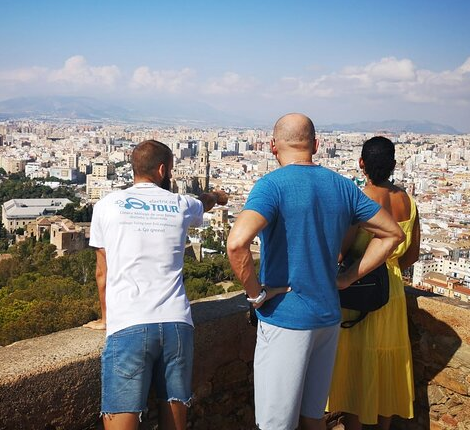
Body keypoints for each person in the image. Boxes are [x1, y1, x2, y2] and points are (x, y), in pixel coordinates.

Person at [226, 114, 404, 430]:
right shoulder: (342, 186)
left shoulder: (271, 185)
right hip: (328, 317)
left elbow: (237, 243)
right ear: (317, 146)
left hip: (286, 318)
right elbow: (392, 234)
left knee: (274, 423)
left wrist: (257, 295)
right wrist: (348, 277)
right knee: (312, 417)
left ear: (271, 146)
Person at [89, 139, 227, 430]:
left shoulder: (106, 205)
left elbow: (103, 273)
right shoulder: (180, 203)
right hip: (177, 324)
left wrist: (105, 319)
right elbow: (206, 202)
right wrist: (218, 195)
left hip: (128, 324)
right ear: (163, 170)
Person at [327, 136, 420, 429]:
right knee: (386, 367)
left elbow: (342, 250)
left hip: (360, 289)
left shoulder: (359, 200)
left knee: (360, 367)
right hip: (391, 292)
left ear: (361, 163)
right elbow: (412, 254)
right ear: (393, 165)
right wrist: (389, 268)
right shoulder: (407, 201)